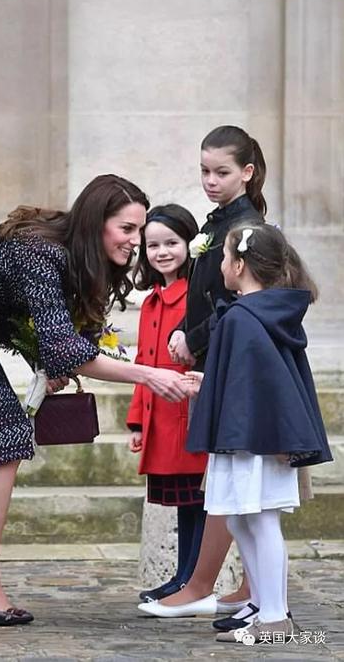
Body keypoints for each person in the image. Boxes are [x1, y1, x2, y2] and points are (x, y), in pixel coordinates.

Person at [0, 175, 189, 626]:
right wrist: (148, 376)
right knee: (5, 441)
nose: (136, 241)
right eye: (127, 229)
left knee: (5, 442)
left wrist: (55, 362)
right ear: (95, 222)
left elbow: (69, 341)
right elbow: (66, 350)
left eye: (140, 231)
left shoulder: (85, 262)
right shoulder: (42, 249)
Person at [184, 224, 332, 644]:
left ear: (240, 264)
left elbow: (265, 385)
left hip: (253, 439)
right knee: (238, 518)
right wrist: (208, 384)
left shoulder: (247, 318)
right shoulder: (254, 313)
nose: (222, 266)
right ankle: (267, 610)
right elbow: (247, 378)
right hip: (250, 434)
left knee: (262, 521)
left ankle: (274, 615)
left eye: (226, 257)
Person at [145, 125, 268, 619]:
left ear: (247, 172)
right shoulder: (219, 224)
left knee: (228, 476)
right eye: (204, 171)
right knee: (228, 476)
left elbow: (238, 299)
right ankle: (247, 586)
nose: (210, 181)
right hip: (213, 355)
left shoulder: (247, 228)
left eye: (221, 172)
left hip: (228, 359)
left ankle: (201, 585)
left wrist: (189, 337)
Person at [126, 205, 208, 601]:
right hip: (159, 419)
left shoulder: (196, 298)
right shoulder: (150, 303)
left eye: (171, 243)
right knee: (181, 504)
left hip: (188, 416)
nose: (162, 252)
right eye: (153, 244)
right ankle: (181, 577)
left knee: (198, 502)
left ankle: (193, 579)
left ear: (189, 245)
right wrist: (137, 422)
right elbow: (142, 365)